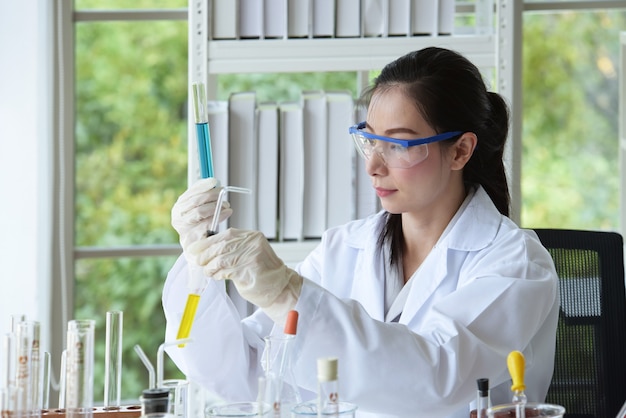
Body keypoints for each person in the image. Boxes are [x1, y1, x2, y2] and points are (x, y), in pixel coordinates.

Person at [162, 47, 559, 418]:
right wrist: (200, 266)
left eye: (398, 145)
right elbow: (244, 374)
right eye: (370, 140)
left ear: (460, 151)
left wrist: (287, 294)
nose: (374, 166)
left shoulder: (515, 264)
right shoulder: (345, 248)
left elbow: (434, 379)